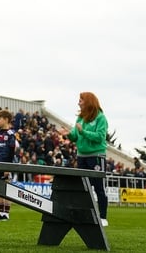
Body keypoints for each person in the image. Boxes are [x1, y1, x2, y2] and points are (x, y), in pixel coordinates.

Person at [59, 92, 109, 227]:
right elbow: (75, 136)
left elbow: (100, 137)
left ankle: (103, 217)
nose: (78, 103)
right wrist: (68, 134)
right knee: (83, 188)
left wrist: (83, 132)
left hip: (96, 156)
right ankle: (85, 215)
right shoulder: (80, 118)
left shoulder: (100, 117)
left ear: (88, 101)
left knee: (99, 187)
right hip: (82, 156)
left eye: (81, 100)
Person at [0, 109, 17, 221]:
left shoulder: (11, 134)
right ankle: (0, 213)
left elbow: (11, 152)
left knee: (6, 189)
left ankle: (6, 214)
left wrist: (8, 167)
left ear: (6, 119)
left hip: (6, 165)